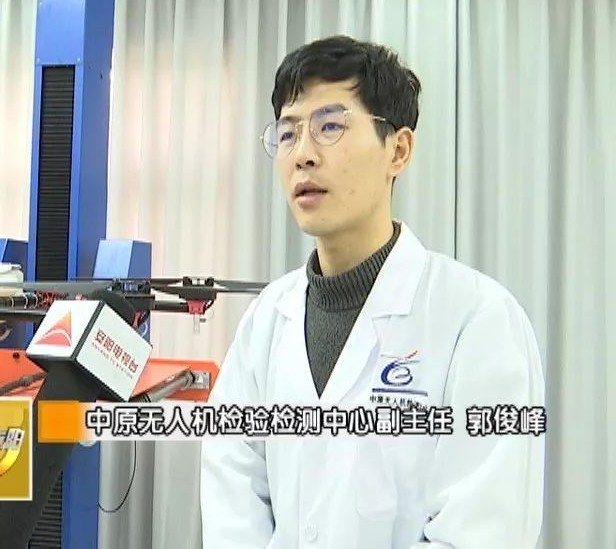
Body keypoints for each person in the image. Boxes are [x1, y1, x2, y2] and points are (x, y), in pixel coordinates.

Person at [200, 35, 545, 549]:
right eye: (288, 133)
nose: (303, 155)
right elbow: (232, 495)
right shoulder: (266, 322)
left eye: (330, 127)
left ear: (397, 150)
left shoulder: (478, 320)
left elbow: (483, 530)